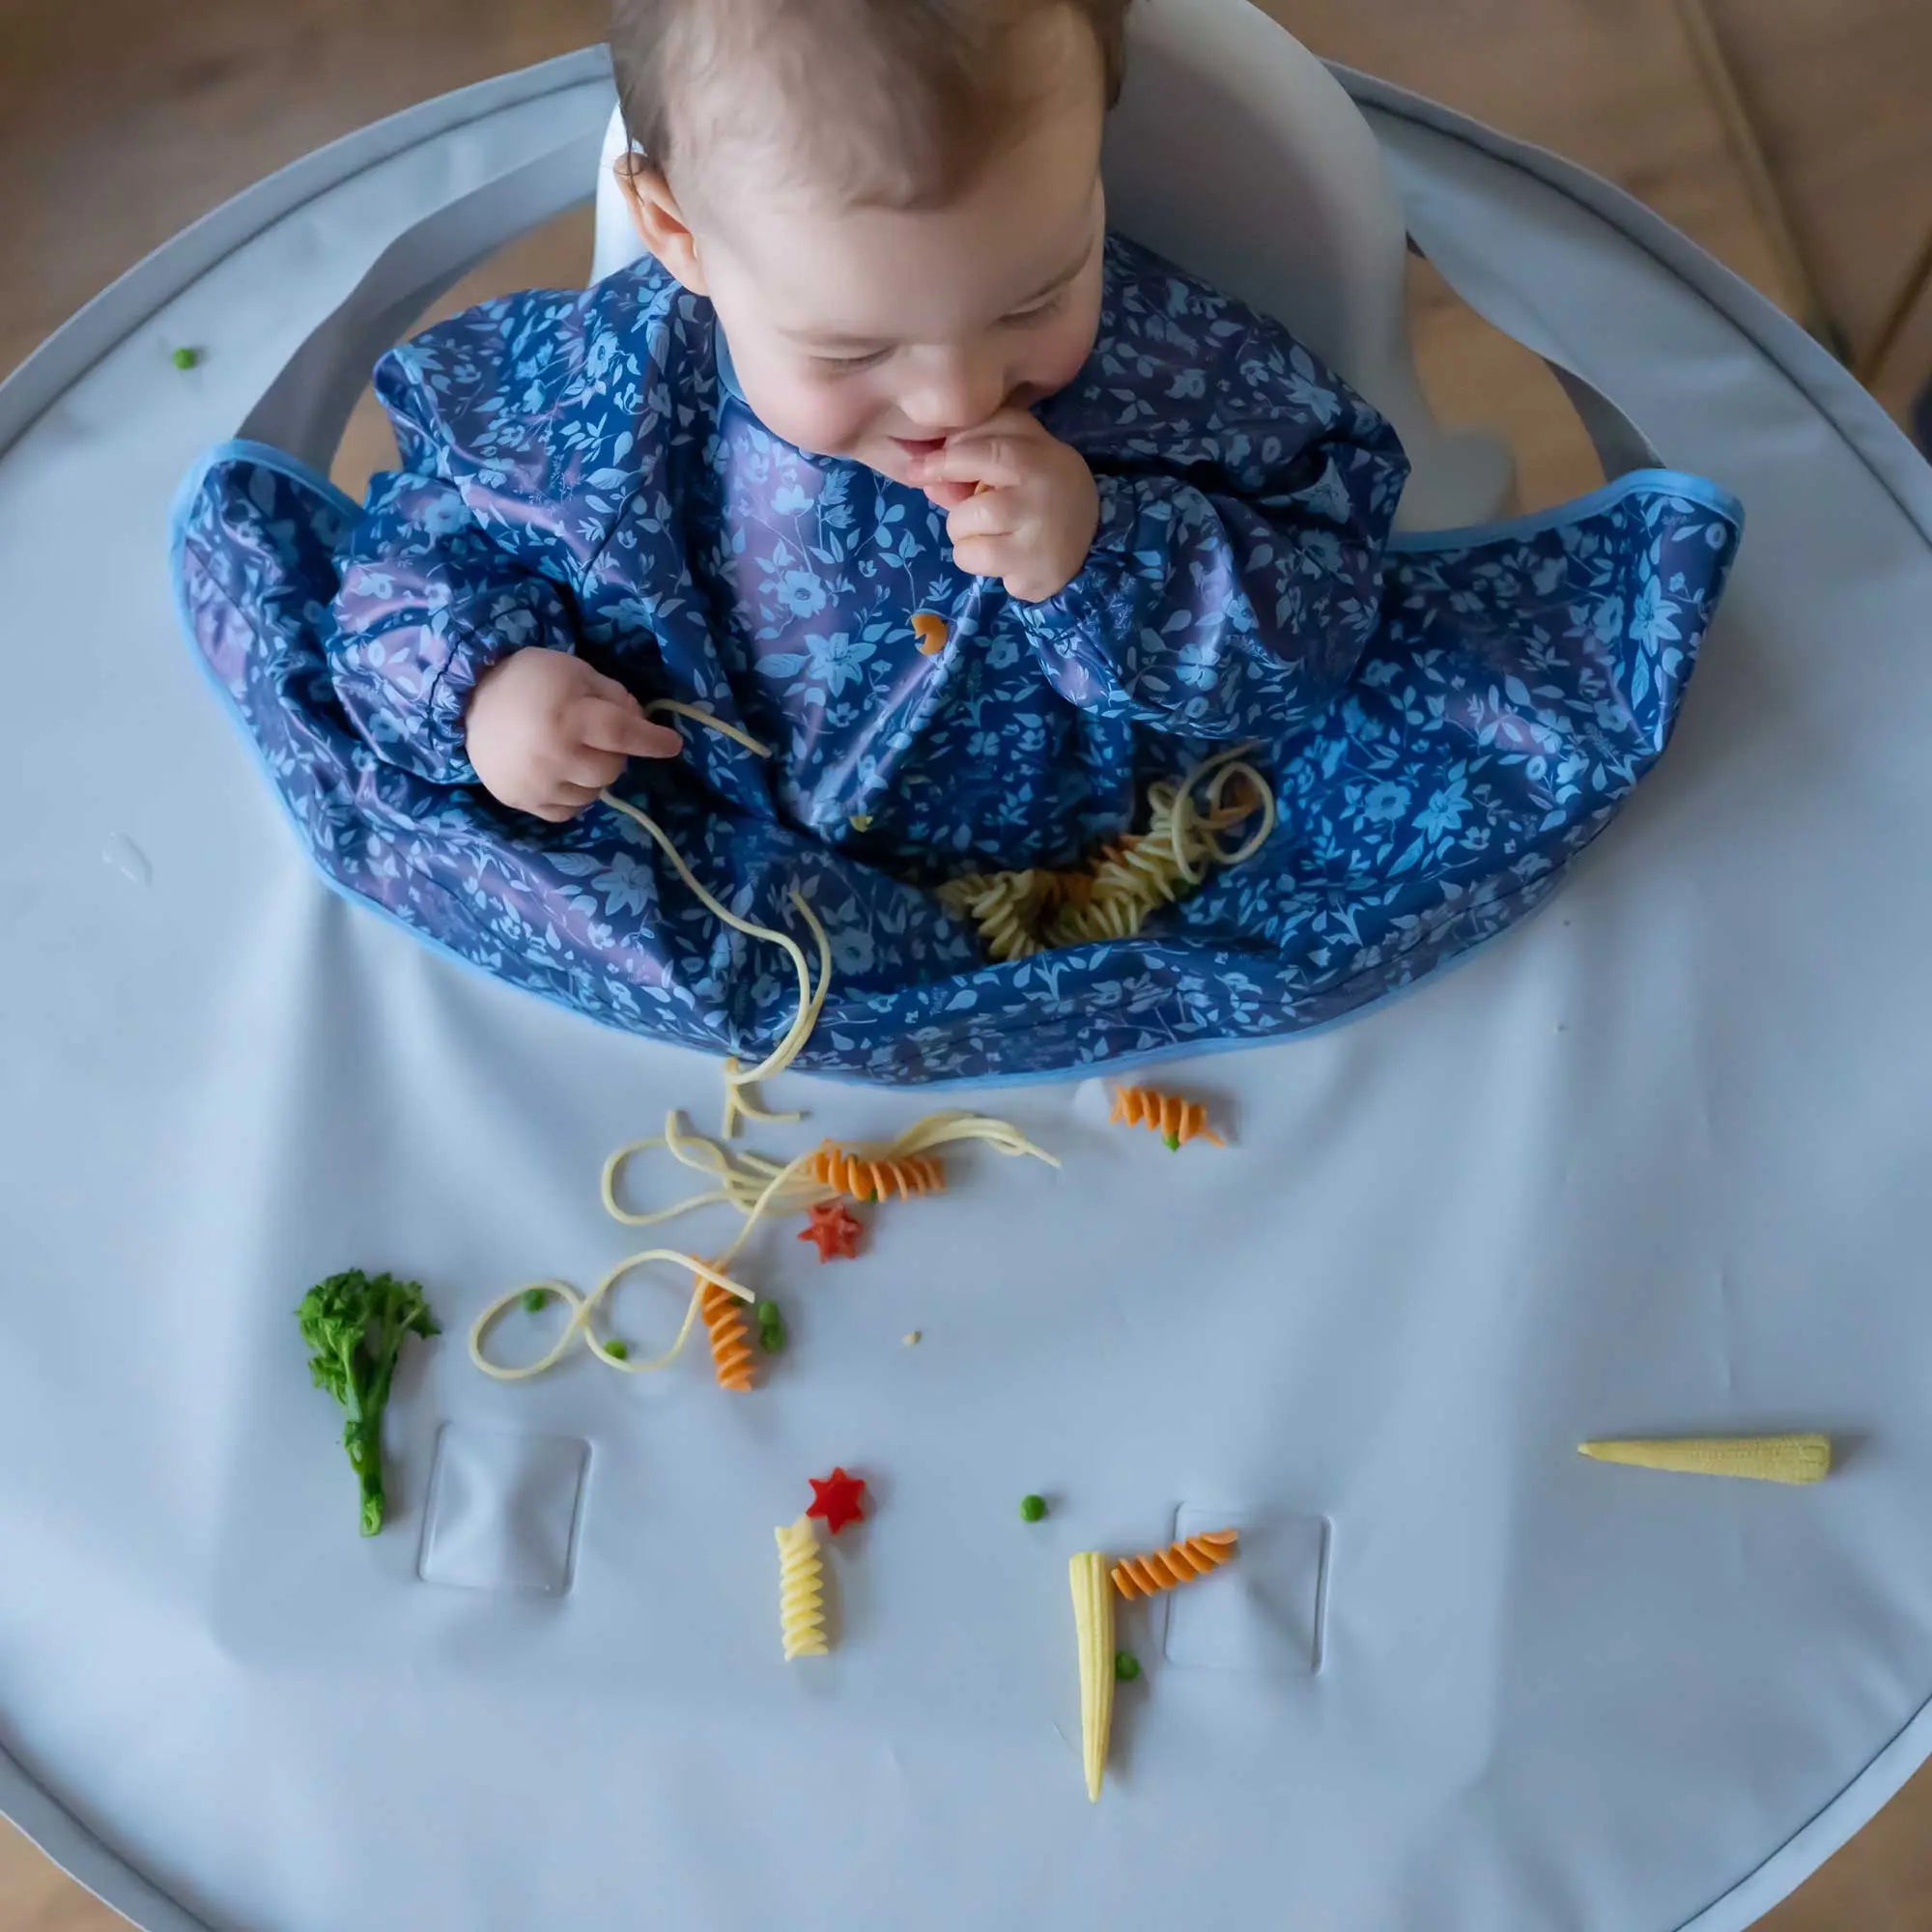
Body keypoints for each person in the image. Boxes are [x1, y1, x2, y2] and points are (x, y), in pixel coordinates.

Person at [325, 0, 1406, 869]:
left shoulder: (1177, 371)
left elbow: (1331, 610)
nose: (952, 395)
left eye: (1034, 296)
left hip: (1121, 876)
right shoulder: (611, 393)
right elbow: (409, 551)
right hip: (717, 871)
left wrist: (1107, 552)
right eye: (848, 351)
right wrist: (480, 687)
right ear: (677, 234)